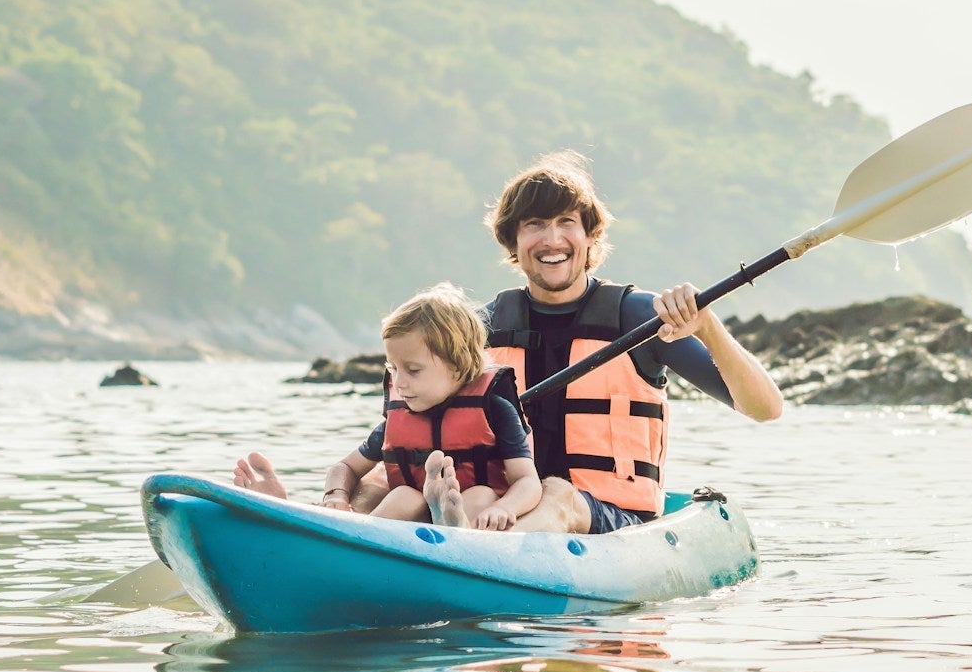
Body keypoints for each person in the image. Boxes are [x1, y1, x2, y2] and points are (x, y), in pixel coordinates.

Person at [480, 150, 783, 534]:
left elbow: (765, 408)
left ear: (590, 236)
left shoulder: (638, 317)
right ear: (513, 239)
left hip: (616, 522)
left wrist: (707, 327)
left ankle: (487, 558)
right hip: (507, 510)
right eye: (535, 224)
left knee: (558, 493)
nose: (552, 239)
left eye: (566, 222)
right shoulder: (484, 327)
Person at [234, 283, 541, 530]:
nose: (400, 382)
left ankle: (455, 524)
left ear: (458, 368)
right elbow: (346, 467)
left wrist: (504, 507)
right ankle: (315, 524)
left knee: (479, 495)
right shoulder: (400, 418)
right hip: (408, 529)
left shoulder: (496, 410)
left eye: (413, 370)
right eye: (393, 369)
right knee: (404, 496)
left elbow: (528, 482)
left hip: (475, 520)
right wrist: (336, 497)